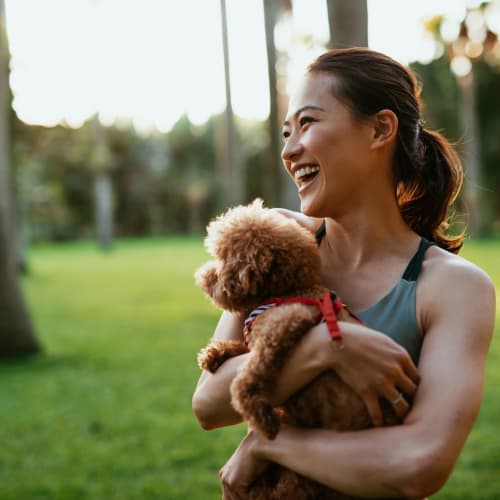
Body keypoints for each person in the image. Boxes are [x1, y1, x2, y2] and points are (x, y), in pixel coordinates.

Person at [192, 47, 496, 498]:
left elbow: (420, 464)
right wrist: (326, 345)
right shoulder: (276, 241)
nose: (289, 149)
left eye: (308, 123)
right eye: (285, 131)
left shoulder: (453, 287)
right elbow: (209, 403)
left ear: (379, 129)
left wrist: (270, 444)